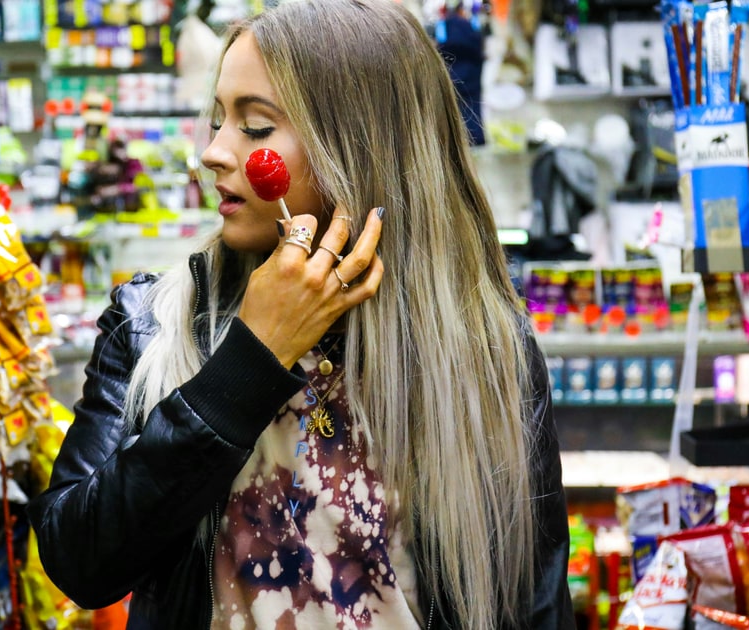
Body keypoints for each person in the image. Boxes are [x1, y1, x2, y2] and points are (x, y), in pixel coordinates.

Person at [28, 1, 574, 628]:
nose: (213, 153)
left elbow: (534, 599)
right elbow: (78, 560)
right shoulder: (152, 322)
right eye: (216, 123)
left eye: (255, 128)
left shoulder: (483, 346)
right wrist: (246, 362)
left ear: (359, 146)